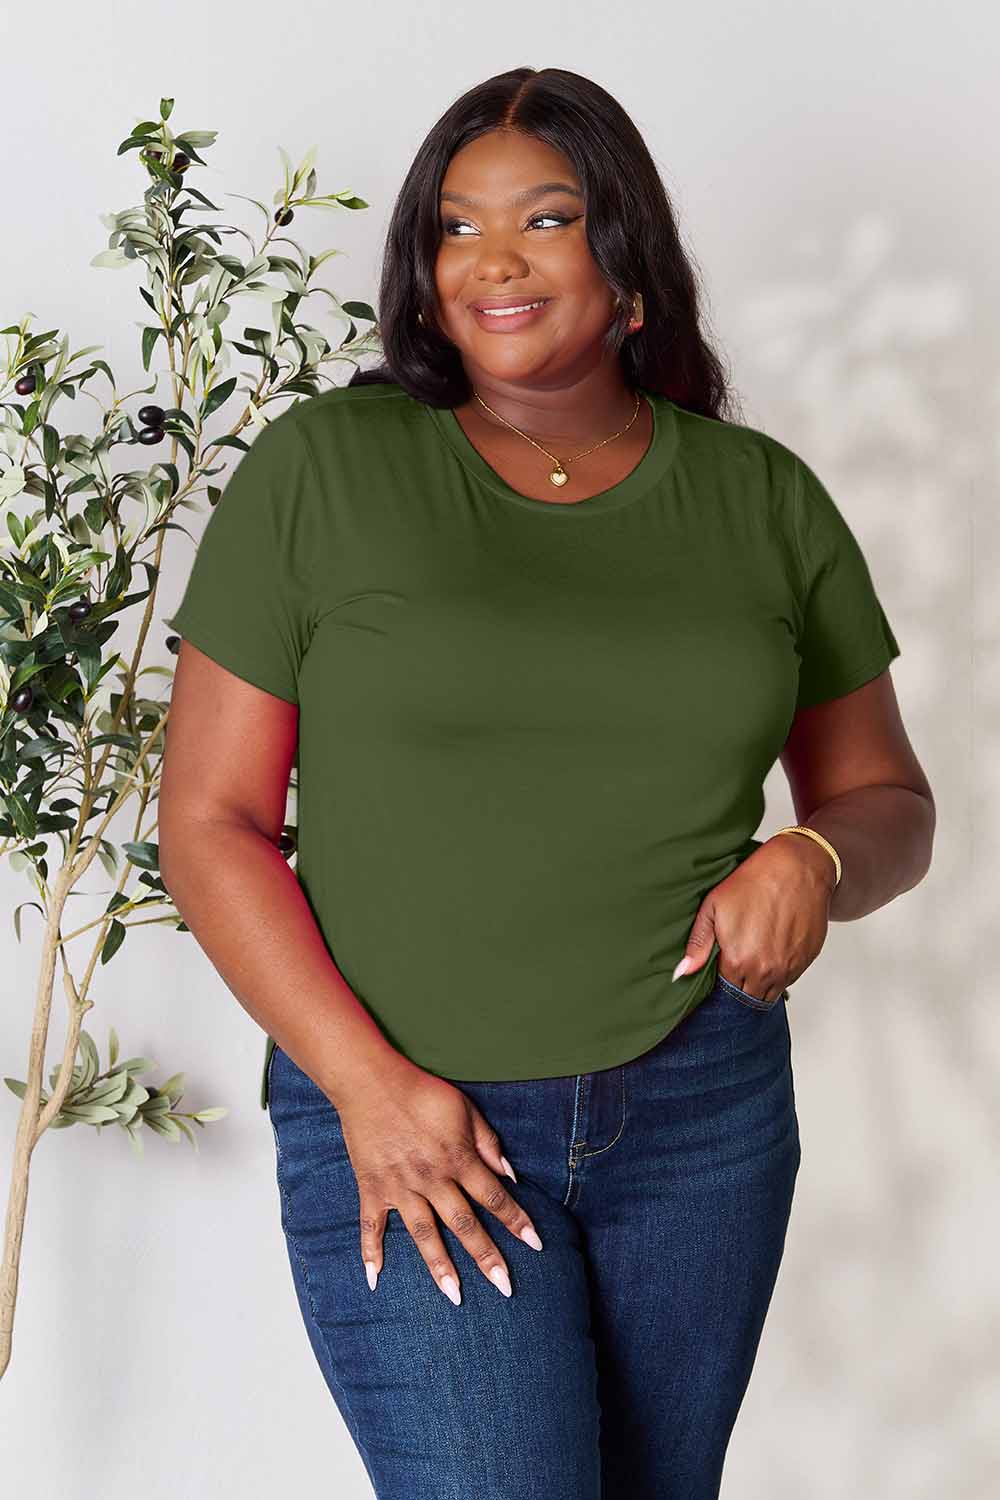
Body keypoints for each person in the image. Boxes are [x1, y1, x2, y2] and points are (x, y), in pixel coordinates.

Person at [159, 65, 935, 1500]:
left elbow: (887, 798)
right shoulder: (327, 470)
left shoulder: (761, 502)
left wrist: (810, 863)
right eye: (457, 228)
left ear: (628, 260)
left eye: (547, 217)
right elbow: (207, 823)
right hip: (408, 1111)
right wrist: (368, 1090)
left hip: (699, 1114)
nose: (494, 260)